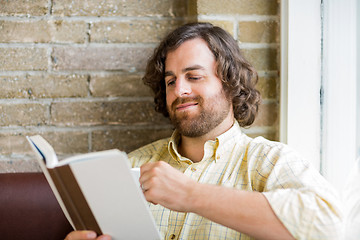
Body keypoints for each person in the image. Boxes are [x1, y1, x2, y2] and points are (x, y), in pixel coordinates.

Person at [65, 22, 343, 240]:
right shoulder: (131, 166)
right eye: (171, 81)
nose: (179, 90)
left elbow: (328, 227)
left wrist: (190, 194)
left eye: (194, 77)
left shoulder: (268, 162)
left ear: (230, 82)